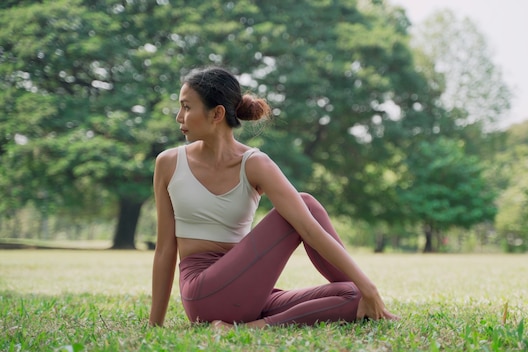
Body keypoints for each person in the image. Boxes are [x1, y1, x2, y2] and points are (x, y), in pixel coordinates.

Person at [149, 67, 397, 328]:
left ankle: (254, 326)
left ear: (217, 113)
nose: (179, 117)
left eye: (187, 107)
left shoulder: (254, 164)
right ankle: (364, 291)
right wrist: (154, 326)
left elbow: (310, 231)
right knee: (307, 206)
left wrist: (365, 288)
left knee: (353, 296)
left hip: (248, 294)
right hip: (203, 293)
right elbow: (165, 249)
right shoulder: (169, 163)